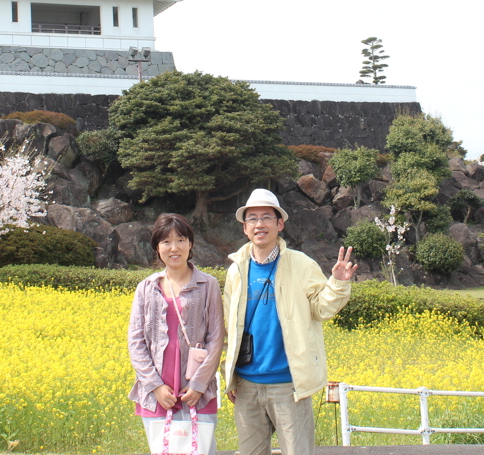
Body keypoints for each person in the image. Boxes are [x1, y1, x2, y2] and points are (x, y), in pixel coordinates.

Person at [223, 188, 358, 455]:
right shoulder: (236, 269)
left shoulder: (301, 264)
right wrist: (230, 376)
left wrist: (339, 284)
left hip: (289, 385)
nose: (259, 224)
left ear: (280, 224)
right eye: (252, 219)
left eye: (266, 217)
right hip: (247, 386)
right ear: (244, 228)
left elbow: (321, 308)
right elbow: (230, 326)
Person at [128, 214, 225, 455]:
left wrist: (199, 385)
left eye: (180, 240)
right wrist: (155, 386)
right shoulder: (146, 287)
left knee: (201, 450)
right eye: (166, 242)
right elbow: (136, 341)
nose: (174, 248)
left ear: (190, 244)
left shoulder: (208, 284)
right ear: (157, 248)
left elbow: (216, 338)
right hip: (158, 392)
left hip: (196, 391)